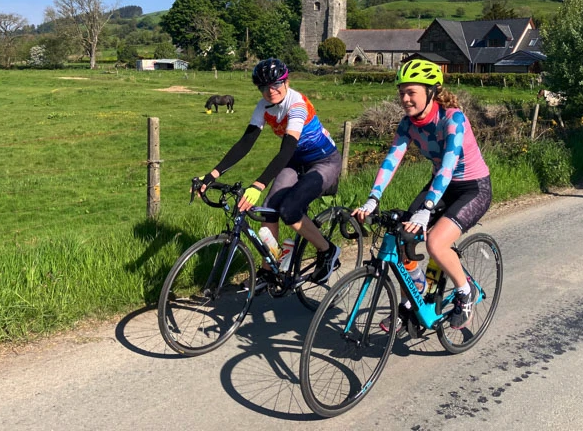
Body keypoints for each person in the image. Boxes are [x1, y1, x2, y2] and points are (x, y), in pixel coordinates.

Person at [353, 59, 492, 330]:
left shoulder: (453, 119)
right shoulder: (408, 124)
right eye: (401, 92)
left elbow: (449, 166)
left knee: (435, 244)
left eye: (411, 92)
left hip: (472, 187)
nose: (404, 98)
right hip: (440, 185)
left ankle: (465, 292)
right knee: (401, 234)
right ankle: (412, 299)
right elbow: (392, 160)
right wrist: (373, 198)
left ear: (431, 92)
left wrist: (426, 208)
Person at [199, 57, 342, 286]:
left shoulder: (296, 105)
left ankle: (327, 250)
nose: (270, 90)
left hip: (324, 161)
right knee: (269, 210)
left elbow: (286, 150)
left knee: (290, 210)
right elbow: (245, 143)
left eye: (276, 84)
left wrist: (258, 184)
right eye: (264, 87)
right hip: (296, 161)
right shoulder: (263, 107)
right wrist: (212, 175)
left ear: (286, 81)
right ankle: (269, 271)